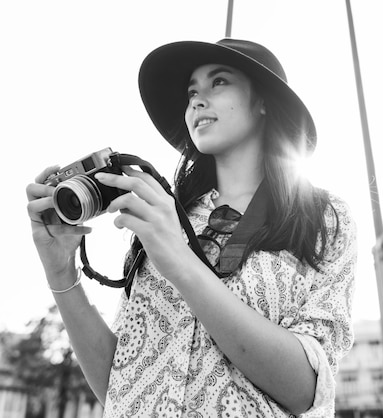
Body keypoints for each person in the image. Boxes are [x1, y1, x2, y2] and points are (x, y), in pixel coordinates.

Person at [26, 39, 357, 417]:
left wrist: (181, 262)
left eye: (219, 83)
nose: (198, 100)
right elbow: (120, 386)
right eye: (191, 92)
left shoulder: (324, 218)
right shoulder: (163, 214)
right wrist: (60, 271)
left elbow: (305, 392)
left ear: (263, 101)